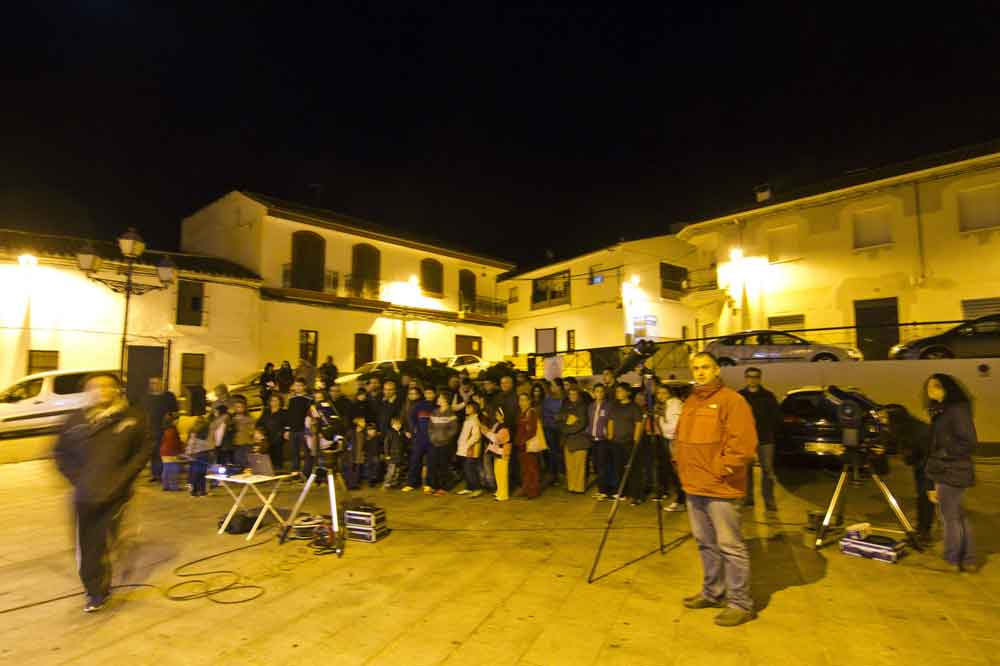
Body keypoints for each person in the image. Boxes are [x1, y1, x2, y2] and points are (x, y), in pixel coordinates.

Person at [675, 352, 758, 627]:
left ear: (717, 369)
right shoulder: (690, 401)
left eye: (705, 367)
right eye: (696, 368)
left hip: (721, 487)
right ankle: (713, 592)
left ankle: (740, 603)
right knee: (705, 543)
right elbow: (681, 439)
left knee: (730, 546)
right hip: (694, 485)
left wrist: (722, 469)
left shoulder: (732, 401)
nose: (700, 372)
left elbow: (743, 445)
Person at [53, 372, 147, 613]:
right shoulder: (74, 421)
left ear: (117, 390)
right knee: (89, 545)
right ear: (87, 392)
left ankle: (115, 545)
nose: (102, 390)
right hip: (86, 494)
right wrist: (78, 479)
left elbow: (143, 451)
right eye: (95, 386)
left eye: (108, 386)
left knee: (107, 538)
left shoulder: (131, 418)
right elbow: (60, 454)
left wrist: (122, 479)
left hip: (117, 493)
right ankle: (96, 592)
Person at [924, 373, 978, 572]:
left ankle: (952, 559)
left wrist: (944, 453)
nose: (930, 391)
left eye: (934, 387)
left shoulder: (955, 411)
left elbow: (969, 441)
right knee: (958, 516)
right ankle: (969, 559)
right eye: (929, 387)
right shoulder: (945, 411)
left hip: (952, 469)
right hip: (951, 469)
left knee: (950, 518)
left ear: (946, 389)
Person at [738, 367, 782, 511]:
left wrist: (770, 431)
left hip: (765, 439)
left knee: (768, 470)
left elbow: (776, 417)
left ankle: (769, 501)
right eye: (750, 376)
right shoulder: (740, 396)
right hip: (746, 440)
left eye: (755, 376)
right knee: (746, 471)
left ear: (759, 378)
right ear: (746, 378)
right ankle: (748, 499)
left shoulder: (768, 396)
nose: (752, 379)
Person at [606, 383, 643, 502]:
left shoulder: (634, 407)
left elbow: (638, 424)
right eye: (617, 391)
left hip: (629, 443)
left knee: (632, 469)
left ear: (628, 392)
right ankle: (622, 492)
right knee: (618, 468)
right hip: (616, 442)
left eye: (621, 391)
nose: (618, 393)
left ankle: (636, 495)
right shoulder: (614, 406)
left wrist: (636, 441)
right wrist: (610, 435)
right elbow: (611, 421)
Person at [655, 383, 686, 512]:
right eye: (659, 393)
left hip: (675, 441)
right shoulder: (664, 405)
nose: (661, 396)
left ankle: (681, 501)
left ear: (670, 394)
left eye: (664, 393)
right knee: (675, 473)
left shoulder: (674, 404)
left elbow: (673, 427)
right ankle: (681, 499)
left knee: (679, 473)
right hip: (668, 440)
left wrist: (660, 421)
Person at [143, 376, 178, 482]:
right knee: (154, 452)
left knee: (165, 452)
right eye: (152, 383)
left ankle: (165, 474)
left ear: (162, 383)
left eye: (156, 383)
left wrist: (170, 418)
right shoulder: (146, 397)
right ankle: (156, 474)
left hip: (165, 429)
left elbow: (175, 411)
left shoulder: (169, 396)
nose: (154, 385)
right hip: (151, 429)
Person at [402, 386, 436, 493]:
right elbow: (411, 418)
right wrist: (415, 430)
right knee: (415, 460)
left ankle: (429, 484)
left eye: (431, 393)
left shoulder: (437, 406)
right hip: (419, 438)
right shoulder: (419, 405)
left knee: (431, 462)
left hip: (433, 439)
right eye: (427, 393)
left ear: (435, 394)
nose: (428, 395)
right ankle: (412, 483)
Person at [558, 386, 591, 493]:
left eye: (574, 394)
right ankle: (571, 486)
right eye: (570, 394)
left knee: (579, 466)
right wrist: (568, 420)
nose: (572, 396)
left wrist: (567, 428)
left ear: (578, 395)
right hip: (568, 440)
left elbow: (582, 423)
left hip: (579, 440)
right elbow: (559, 418)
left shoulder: (583, 407)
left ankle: (579, 488)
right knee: (570, 465)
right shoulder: (566, 405)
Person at [428, 392, 459, 495]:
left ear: (446, 399)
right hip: (434, 443)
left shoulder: (451, 413)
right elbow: (430, 427)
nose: (438, 399)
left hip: (445, 444)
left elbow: (453, 429)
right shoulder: (434, 412)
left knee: (443, 465)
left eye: (440, 397)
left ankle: (444, 487)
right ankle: (433, 485)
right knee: (432, 464)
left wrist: (445, 438)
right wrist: (433, 437)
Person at [514, 392, 543, 498]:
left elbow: (532, 430)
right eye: (520, 400)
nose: (522, 402)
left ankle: (533, 491)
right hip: (521, 445)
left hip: (528, 445)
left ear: (529, 401)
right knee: (524, 469)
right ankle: (526, 488)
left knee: (531, 469)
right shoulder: (522, 412)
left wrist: (523, 441)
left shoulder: (531, 412)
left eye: (524, 400)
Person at [588, 384, 613, 499]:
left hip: (603, 439)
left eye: (601, 391)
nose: (599, 393)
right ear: (593, 393)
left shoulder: (608, 406)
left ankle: (605, 490)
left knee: (603, 465)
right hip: (593, 439)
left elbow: (610, 421)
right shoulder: (591, 406)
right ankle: (600, 489)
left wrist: (607, 433)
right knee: (597, 465)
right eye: (597, 391)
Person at [286, 379, 313, 477]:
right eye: (296, 385)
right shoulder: (291, 399)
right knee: (294, 452)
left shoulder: (309, 399)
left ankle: (307, 473)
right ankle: (295, 472)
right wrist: (287, 429)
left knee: (307, 452)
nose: (297, 388)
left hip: (303, 429)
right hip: (293, 429)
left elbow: (310, 415)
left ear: (304, 386)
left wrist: (308, 430)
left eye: (299, 386)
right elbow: (289, 415)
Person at [456, 402, 484, 497]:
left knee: (470, 469)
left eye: (469, 407)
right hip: (464, 449)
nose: (466, 409)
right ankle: (469, 487)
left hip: (470, 449)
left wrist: (467, 445)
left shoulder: (475, 420)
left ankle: (477, 488)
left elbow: (476, 436)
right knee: (466, 468)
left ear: (474, 409)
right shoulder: (468, 419)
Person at [540, 382, 565, 486]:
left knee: (558, 452)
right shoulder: (547, 399)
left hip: (561, 429)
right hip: (549, 428)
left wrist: (559, 416)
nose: (552, 388)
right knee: (552, 453)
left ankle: (558, 474)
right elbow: (545, 413)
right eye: (551, 386)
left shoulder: (565, 399)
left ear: (560, 387)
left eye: (554, 385)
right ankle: (553, 475)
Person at [482, 417, 512, 501]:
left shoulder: (505, 427)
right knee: (497, 472)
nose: (497, 416)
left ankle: (504, 494)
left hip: (503, 452)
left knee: (502, 474)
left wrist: (486, 432)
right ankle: (499, 491)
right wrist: (487, 432)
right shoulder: (497, 425)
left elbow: (497, 439)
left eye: (499, 414)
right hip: (496, 451)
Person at [257, 394, 289, 470]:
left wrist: (285, 432)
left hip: (277, 437)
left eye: (276, 400)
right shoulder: (266, 411)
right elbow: (259, 422)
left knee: (277, 456)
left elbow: (288, 424)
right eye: (272, 400)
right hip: (266, 437)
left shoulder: (284, 412)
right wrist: (259, 432)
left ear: (280, 402)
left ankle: (278, 469)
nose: (273, 402)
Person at [185, 415, 213, 497]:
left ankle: (193, 492)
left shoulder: (194, 433)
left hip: (195, 456)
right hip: (204, 455)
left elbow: (190, 445)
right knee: (202, 474)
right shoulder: (207, 434)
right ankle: (202, 491)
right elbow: (210, 445)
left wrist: (188, 454)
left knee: (194, 474)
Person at [230, 396, 255, 469]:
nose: (239, 409)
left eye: (241, 407)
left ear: (245, 408)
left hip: (247, 444)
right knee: (238, 462)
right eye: (237, 407)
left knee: (247, 462)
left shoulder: (249, 419)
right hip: (236, 444)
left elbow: (252, 431)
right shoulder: (232, 419)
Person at [159, 415, 183, 491]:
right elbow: (174, 443)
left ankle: (165, 485)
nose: (178, 422)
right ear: (172, 421)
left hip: (164, 452)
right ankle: (174, 486)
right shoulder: (172, 431)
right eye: (176, 420)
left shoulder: (165, 430)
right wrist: (180, 451)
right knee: (174, 470)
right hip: (171, 452)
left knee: (166, 469)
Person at [383, 417, 406, 489]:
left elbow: (402, 444)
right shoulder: (390, 433)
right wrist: (387, 454)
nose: (398, 425)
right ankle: (387, 483)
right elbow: (386, 444)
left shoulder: (400, 433)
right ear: (392, 425)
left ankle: (394, 483)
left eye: (399, 424)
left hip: (399, 456)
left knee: (397, 471)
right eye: (396, 424)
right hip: (392, 456)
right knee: (391, 471)